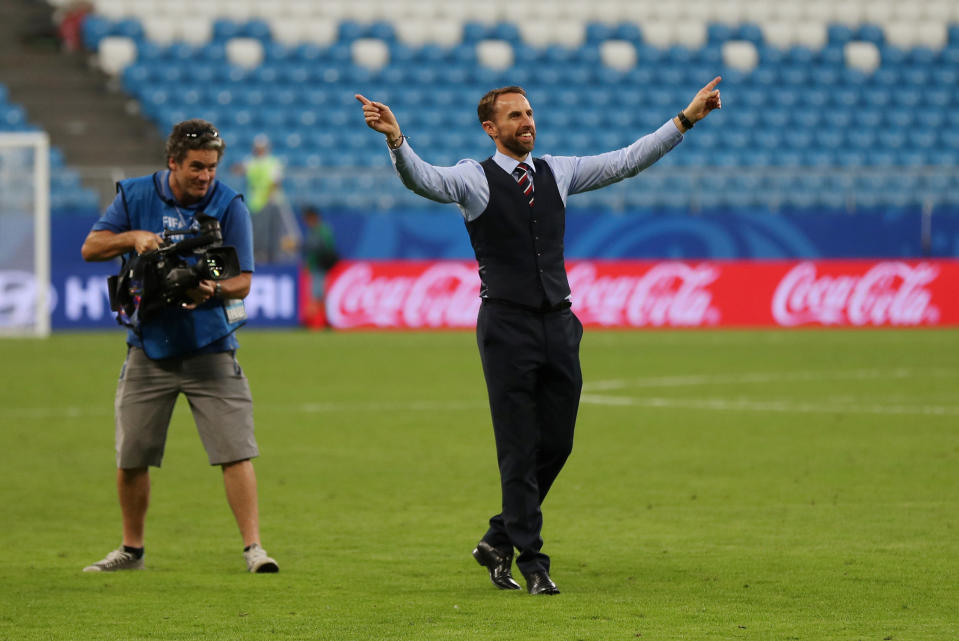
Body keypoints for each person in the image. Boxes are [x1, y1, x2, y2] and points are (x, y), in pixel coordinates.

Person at [356, 78, 721, 595]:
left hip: (559, 324)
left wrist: (685, 119)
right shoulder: (473, 178)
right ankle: (533, 562)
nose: (526, 122)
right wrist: (397, 141)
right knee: (517, 450)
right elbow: (423, 181)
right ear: (490, 128)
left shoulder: (558, 171)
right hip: (506, 327)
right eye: (514, 117)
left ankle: (498, 537)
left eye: (528, 113)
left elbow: (627, 160)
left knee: (558, 443)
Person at [79, 119, 279, 574]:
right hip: (148, 345)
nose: (205, 176)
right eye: (196, 167)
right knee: (132, 455)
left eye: (211, 167)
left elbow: (244, 280)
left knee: (236, 450)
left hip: (212, 344)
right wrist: (134, 238)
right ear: (172, 162)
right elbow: (92, 247)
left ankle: (254, 549)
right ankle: (132, 550)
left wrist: (213, 290)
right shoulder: (136, 196)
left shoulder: (230, 205)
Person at [233, 134, 298, 263]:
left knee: (272, 233)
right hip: (256, 203)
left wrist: (268, 196)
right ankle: (259, 256)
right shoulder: (252, 162)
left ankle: (272, 257)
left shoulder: (272, 162)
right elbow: (239, 169)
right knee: (257, 233)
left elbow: (276, 182)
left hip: (270, 202)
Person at [300, 205, 339, 327]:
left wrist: (300, 246)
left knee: (316, 295)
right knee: (319, 295)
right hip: (318, 267)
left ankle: (307, 321)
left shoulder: (320, 231)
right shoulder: (320, 230)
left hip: (319, 267)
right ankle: (327, 321)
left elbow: (318, 248)